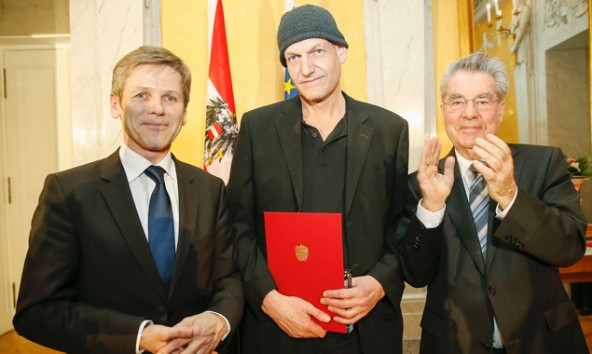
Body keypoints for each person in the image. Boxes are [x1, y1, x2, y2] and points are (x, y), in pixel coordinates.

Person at [13, 46, 243, 354]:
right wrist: (137, 336)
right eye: (141, 95)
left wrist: (218, 319)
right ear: (115, 104)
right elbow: (37, 311)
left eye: (170, 98)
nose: (157, 109)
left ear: (185, 112)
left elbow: (228, 279)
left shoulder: (209, 189)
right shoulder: (70, 192)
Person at [226, 4, 409, 354]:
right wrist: (268, 299)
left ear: (341, 51)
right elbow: (237, 225)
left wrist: (379, 283)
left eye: (317, 51)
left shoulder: (390, 129)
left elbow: (400, 224)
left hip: (364, 333)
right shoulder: (258, 128)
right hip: (279, 330)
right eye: (293, 57)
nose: (305, 68)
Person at [398, 51, 589, 354]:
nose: (469, 113)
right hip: (455, 343)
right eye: (457, 101)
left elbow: (570, 249)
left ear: (500, 109)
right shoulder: (420, 182)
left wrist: (511, 197)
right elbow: (416, 275)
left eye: (483, 101)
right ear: (444, 109)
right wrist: (432, 208)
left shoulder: (543, 163)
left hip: (543, 341)